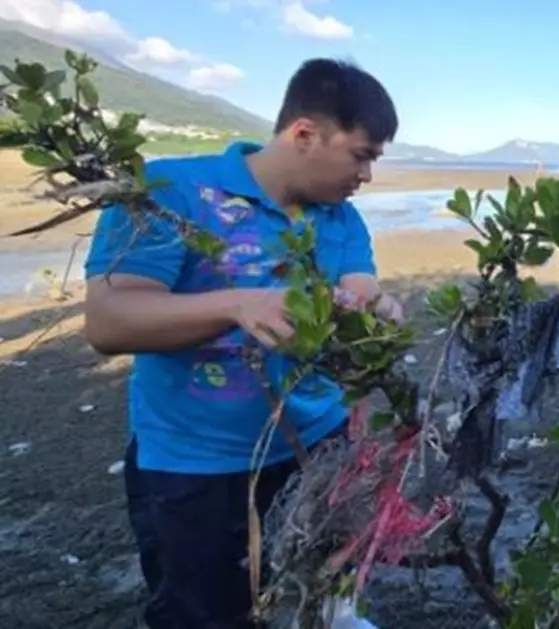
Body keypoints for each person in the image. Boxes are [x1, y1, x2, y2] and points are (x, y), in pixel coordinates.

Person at [81, 58, 402, 629]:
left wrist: (375, 308)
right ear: (305, 134)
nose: (368, 176)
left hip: (317, 450)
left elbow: (359, 287)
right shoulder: (172, 192)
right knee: (207, 612)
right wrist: (235, 304)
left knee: (318, 593)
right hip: (196, 465)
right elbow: (109, 321)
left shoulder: (340, 218)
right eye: (363, 155)